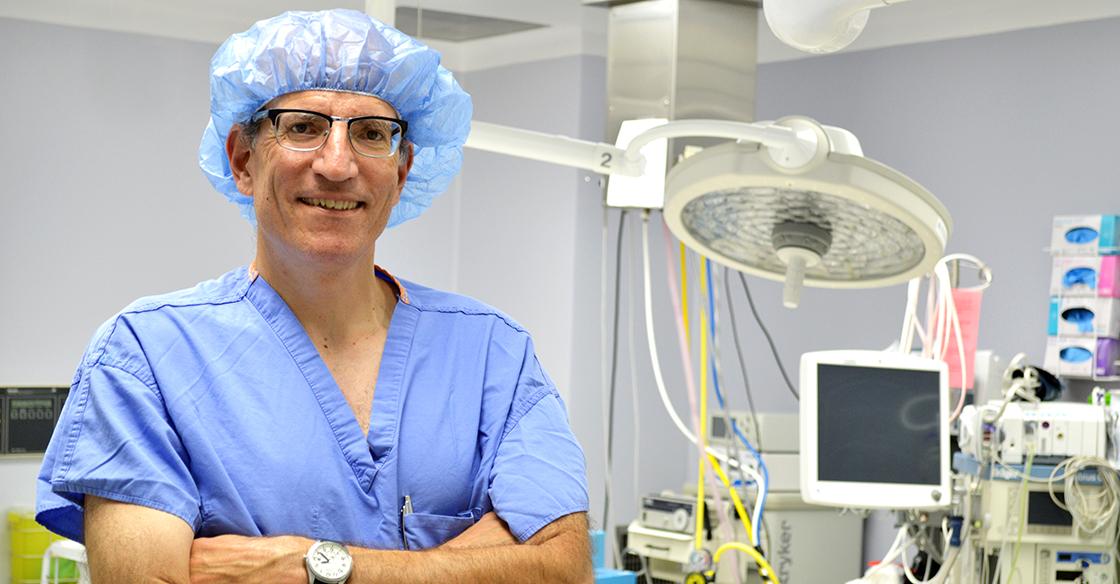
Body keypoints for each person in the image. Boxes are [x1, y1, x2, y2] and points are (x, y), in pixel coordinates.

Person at [35, 9, 591, 583]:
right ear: (243, 160)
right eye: (302, 127)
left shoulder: (491, 353)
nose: (337, 164)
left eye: (372, 133)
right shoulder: (146, 354)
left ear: (401, 175)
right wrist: (472, 564)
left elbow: (563, 569)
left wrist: (321, 568)